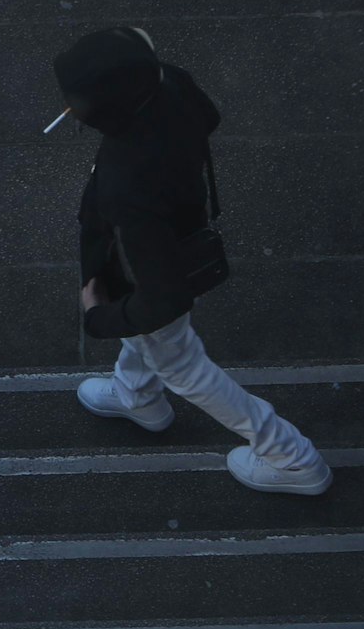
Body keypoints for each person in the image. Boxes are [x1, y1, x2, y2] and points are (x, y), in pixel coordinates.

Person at [55, 26, 332, 495]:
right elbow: (209, 114)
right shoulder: (168, 85)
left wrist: (99, 318)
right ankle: (138, 398)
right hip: (179, 232)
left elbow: (160, 298)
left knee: (183, 366)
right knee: (156, 340)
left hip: (145, 268)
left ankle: (291, 457)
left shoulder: (129, 188)